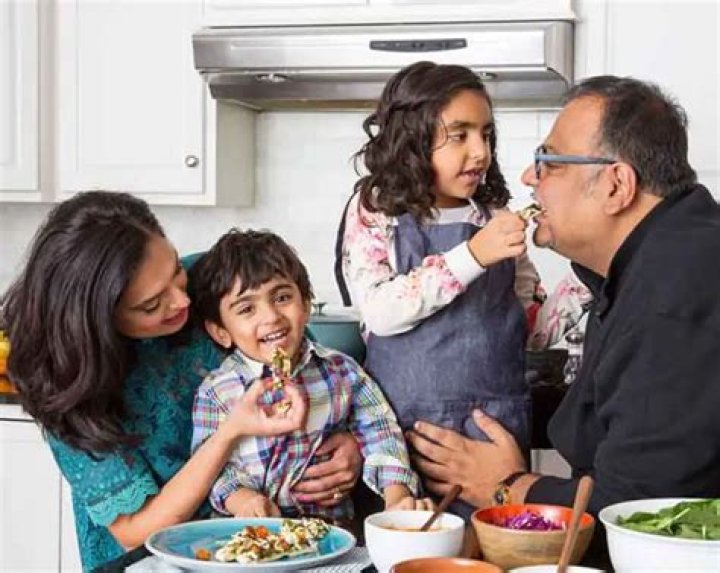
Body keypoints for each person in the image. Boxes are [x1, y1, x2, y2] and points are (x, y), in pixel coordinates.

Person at [405, 75, 720, 531]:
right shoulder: (657, 258)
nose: (529, 178)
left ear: (616, 185)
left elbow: (640, 515)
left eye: (549, 162)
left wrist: (507, 486)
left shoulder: (675, 296)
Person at [1, 192, 363, 572]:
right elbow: (137, 531)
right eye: (151, 305)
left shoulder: (212, 280)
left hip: (267, 546)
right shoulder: (62, 385)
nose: (182, 302)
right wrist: (229, 433)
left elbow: (309, 366)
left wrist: (348, 445)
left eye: (175, 270)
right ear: (97, 321)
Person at [335, 61, 544, 513]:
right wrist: (473, 256)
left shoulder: (491, 213)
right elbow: (380, 312)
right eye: (460, 135)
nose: (480, 151)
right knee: (408, 541)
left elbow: (526, 308)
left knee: (494, 544)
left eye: (486, 134)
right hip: (405, 436)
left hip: (494, 432)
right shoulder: (376, 210)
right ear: (413, 138)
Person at [189, 229, 432, 522]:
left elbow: (381, 431)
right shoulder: (216, 391)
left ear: (305, 305)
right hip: (250, 534)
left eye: (282, 297)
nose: (271, 317)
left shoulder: (341, 372)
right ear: (221, 332)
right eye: (247, 309)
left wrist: (397, 498)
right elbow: (210, 466)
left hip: (332, 532)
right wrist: (244, 501)